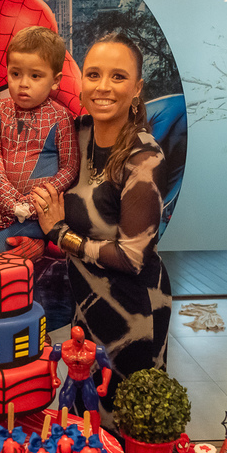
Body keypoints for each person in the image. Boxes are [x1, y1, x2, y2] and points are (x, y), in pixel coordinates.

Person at [31, 32, 171, 424]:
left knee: (125, 424)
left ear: (137, 88)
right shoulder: (76, 133)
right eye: (93, 74)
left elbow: (130, 257)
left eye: (118, 77)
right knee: (81, 417)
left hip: (133, 310)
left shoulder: (144, 158)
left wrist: (59, 234)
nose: (103, 87)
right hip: (88, 306)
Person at [0, 26, 79, 230]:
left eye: (35, 76)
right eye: (16, 73)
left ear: (55, 81)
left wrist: (36, 201)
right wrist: (6, 195)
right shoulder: (1, 109)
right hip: (4, 210)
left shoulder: (61, 116)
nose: (23, 83)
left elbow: (69, 167)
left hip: (44, 216)